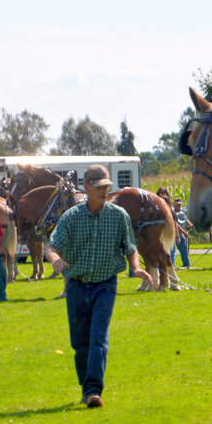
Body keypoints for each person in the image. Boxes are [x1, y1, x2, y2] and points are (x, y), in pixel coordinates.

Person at [46, 165, 153, 409]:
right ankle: (86, 390)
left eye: (107, 187)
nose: (105, 191)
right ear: (87, 187)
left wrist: (135, 268)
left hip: (105, 285)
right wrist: (56, 260)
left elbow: (130, 248)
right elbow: (52, 247)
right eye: (100, 187)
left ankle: (94, 390)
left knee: (98, 338)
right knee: (80, 343)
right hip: (76, 285)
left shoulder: (118, 216)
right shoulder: (71, 218)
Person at [170, 198, 193, 269]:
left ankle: (186, 264)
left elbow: (185, 220)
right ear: (174, 204)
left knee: (184, 249)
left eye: (180, 205)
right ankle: (171, 266)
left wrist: (190, 225)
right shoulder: (172, 211)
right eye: (177, 205)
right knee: (172, 251)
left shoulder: (182, 211)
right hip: (173, 234)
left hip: (181, 233)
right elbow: (176, 224)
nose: (179, 206)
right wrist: (185, 232)